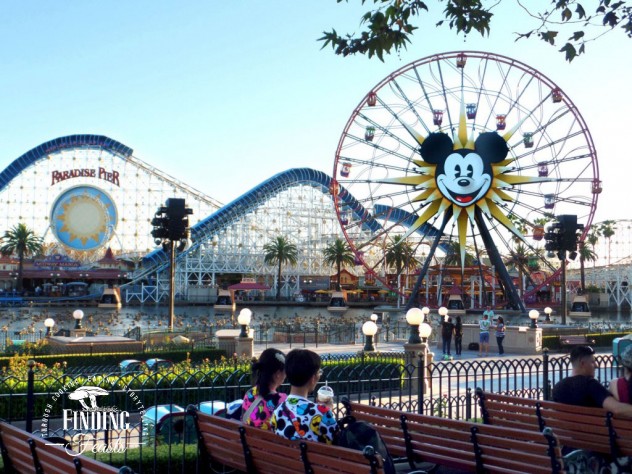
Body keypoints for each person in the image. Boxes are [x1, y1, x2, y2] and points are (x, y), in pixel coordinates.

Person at [271, 349, 339, 444]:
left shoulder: (278, 410)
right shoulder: (321, 413)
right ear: (312, 378)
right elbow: (336, 442)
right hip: (315, 459)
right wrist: (327, 412)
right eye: (318, 372)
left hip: (284, 458)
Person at [552, 346, 632, 417]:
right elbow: (616, 409)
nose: (596, 366)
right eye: (592, 362)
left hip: (564, 432)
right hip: (594, 432)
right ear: (582, 363)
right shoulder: (590, 385)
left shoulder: (558, 387)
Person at [241, 348, 287, 430]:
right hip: (269, 442)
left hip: (248, 440)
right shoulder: (281, 400)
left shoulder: (250, 393)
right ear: (278, 374)